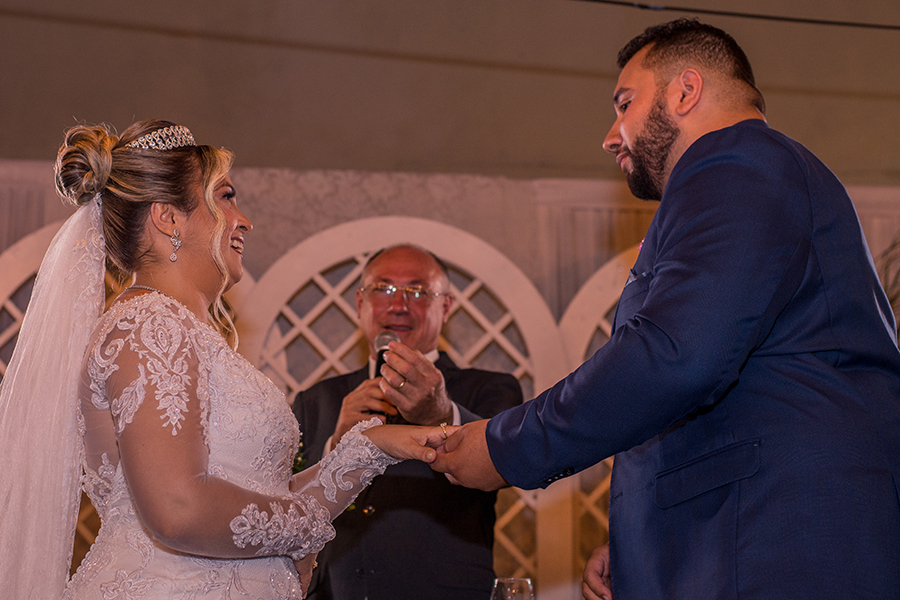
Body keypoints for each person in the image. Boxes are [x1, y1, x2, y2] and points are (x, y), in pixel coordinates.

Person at [432, 18, 900, 600]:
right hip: (731, 534)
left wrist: (505, 448)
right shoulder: (747, 176)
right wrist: (639, 532)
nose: (611, 134)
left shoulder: (737, 162)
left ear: (685, 90)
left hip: (775, 543)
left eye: (624, 103)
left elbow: (675, 357)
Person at [0, 120, 447, 599]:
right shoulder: (151, 325)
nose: (244, 220)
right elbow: (180, 508)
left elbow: (245, 504)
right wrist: (307, 528)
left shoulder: (177, 330)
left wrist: (369, 450)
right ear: (169, 218)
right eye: (226, 196)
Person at [293, 244, 523, 600]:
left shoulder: (490, 388)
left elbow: (508, 463)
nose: (398, 305)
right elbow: (285, 508)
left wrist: (442, 414)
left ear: (445, 307)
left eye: (417, 292)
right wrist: (335, 448)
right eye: (383, 290)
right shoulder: (315, 400)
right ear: (359, 303)